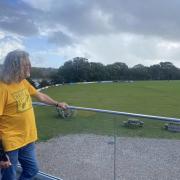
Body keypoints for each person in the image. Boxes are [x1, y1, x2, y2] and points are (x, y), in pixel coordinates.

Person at [0, 50, 68, 180]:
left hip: (28, 139)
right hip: (10, 142)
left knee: (32, 170)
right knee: (10, 177)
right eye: (26, 64)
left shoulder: (23, 82)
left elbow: (40, 96)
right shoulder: (2, 88)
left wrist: (57, 104)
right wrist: (1, 154)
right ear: (15, 67)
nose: (30, 66)